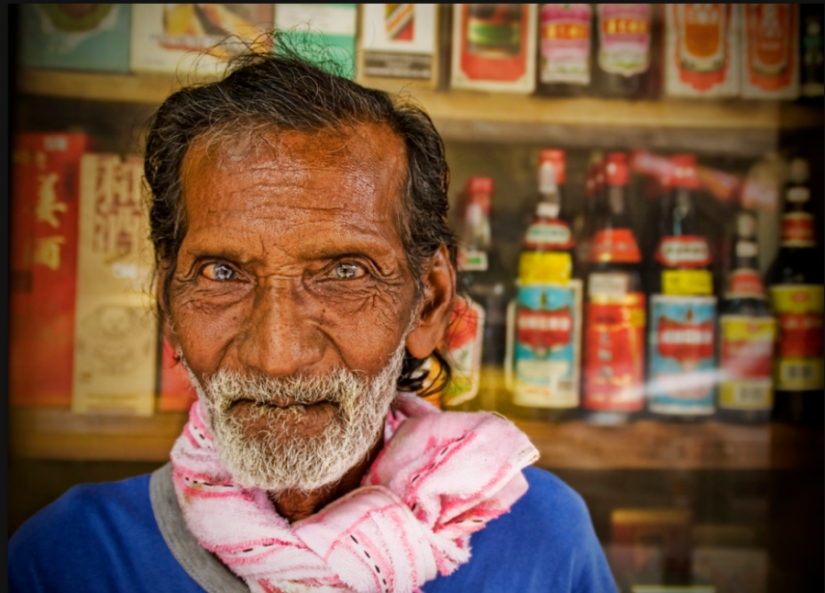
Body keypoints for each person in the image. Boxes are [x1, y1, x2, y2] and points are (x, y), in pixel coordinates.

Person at [9, 43, 618, 593]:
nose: (277, 354)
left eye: (345, 272)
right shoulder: (68, 559)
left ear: (428, 303)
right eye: (222, 274)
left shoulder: (541, 541)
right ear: (168, 305)